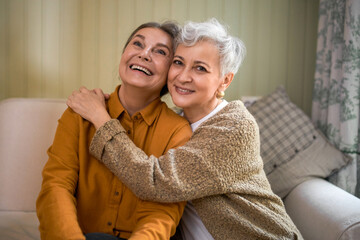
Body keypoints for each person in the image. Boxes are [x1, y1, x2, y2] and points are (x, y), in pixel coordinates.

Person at [67, 18, 303, 239]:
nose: (183, 76)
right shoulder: (177, 124)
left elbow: (154, 181)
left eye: (200, 68)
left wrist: (100, 118)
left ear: (224, 81)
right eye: (178, 63)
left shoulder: (234, 127)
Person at [36, 21, 193, 240]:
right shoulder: (78, 114)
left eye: (160, 51)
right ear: (124, 54)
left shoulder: (177, 131)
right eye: (137, 44)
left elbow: (162, 211)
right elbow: (56, 187)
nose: (144, 54)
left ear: (172, 70)